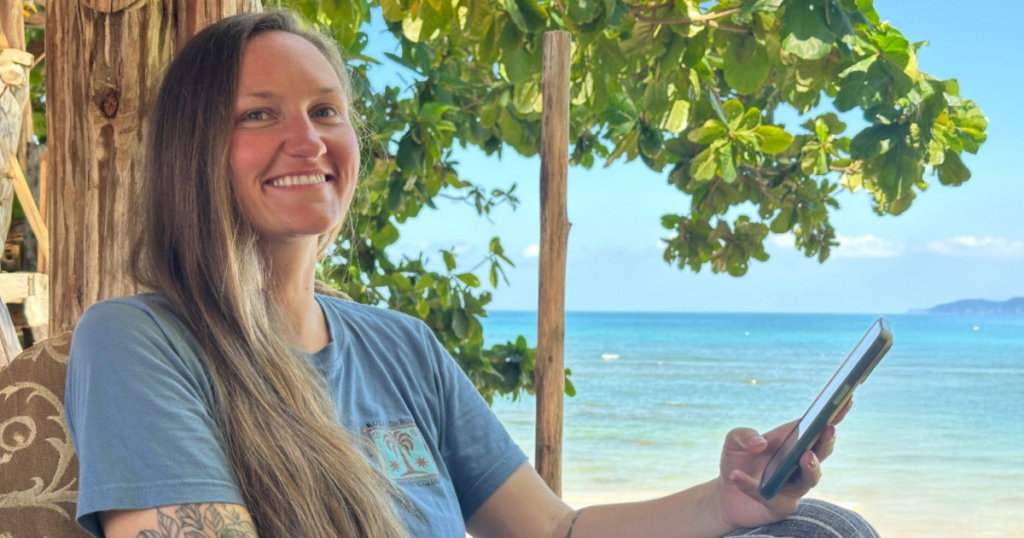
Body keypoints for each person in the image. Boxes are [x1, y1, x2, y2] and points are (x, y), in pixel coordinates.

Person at [65, 10, 879, 538]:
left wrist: (724, 498)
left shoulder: (402, 347)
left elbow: (553, 531)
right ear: (192, 150)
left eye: (325, 110)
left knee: (822, 530)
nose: (307, 140)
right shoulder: (140, 341)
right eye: (258, 113)